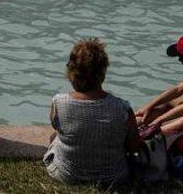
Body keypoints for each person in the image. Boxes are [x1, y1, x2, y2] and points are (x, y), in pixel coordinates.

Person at [44, 38, 138, 186]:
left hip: (66, 174)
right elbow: (133, 147)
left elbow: (57, 127)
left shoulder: (58, 103)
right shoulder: (122, 108)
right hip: (113, 177)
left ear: (71, 72)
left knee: (55, 136)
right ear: (103, 72)